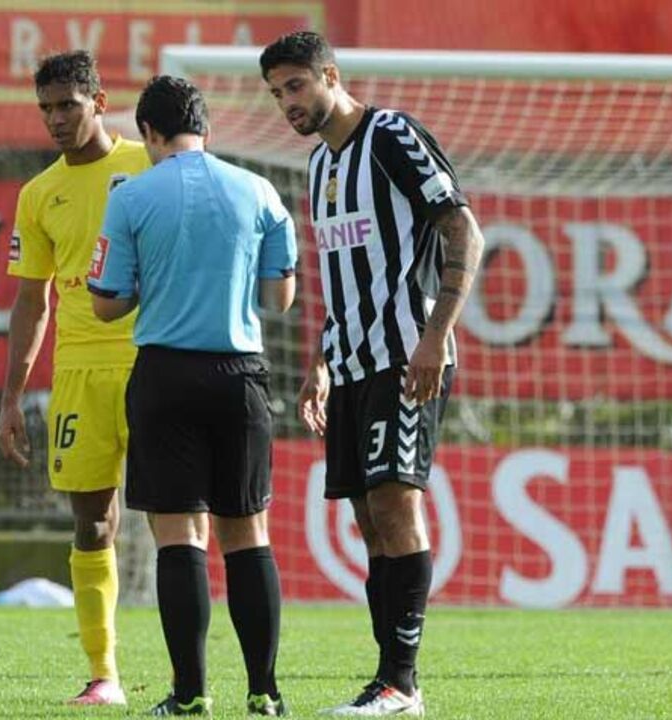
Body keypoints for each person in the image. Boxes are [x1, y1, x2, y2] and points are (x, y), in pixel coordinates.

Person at [261, 31, 486, 716]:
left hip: (405, 356)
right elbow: (341, 280)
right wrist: (322, 363)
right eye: (276, 94)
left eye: (296, 86)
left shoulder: (389, 135)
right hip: (352, 362)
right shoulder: (318, 167)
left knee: (395, 505)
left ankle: (400, 682)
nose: (286, 103)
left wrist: (434, 336)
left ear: (329, 74)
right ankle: (390, 681)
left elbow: (463, 231)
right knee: (366, 516)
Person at [88, 75, 297, 717]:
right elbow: (279, 299)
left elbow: (105, 305)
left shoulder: (130, 196)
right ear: (205, 129)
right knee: (248, 532)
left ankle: (189, 692)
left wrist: (156, 282)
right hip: (240, 376)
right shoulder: (259, 190)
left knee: (179, 535)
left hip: (165, 377)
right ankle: (264, 691)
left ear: (149, 133)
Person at [0, 50, 150, 706]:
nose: (56, 119)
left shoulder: (148, 164)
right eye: (46, 109)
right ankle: (103, 674)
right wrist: (11, 397)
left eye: (68, 105)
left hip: (154, 359)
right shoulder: (38, 194)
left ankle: (190, 675)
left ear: (100, 101)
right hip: (80, 371)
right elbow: (32, 302)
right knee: (91, 522)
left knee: (180, 519)